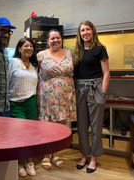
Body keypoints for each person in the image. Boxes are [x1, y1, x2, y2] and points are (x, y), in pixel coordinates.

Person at [73, 21, 110, 173]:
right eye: (82, 30)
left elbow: (106, 73)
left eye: (88, 29)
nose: (85, 32)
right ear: (79, 33)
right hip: (80, 89)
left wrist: (103, 92)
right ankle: (84, 155)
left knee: (95, 126)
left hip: (95, 88)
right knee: (81, 126)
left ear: (93, 31)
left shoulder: (100, 49)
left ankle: (94, 158)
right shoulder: (77, 52)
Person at [37, 28, 76, 170]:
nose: (55, 40)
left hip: (66, 95)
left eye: (58, 38)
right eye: (52, 38)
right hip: (48, 96)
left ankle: (55, 154)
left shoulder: (69, 53)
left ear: (61, 39)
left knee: (60, 126)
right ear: (47, 41)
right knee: (48, 126)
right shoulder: (41, 55)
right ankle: (46, 155)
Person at [8, 37, 38, 177]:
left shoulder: (34, 65)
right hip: (16, 103)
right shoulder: (13, 62)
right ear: (19, 49)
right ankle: (19, 162)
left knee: (30, 134)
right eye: (25, 46)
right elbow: (7, 82)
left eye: (31, 46)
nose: (29, 48)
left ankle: (29, 161)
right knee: (19, 134)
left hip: (31, 102)